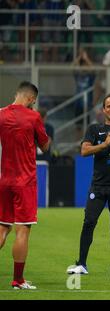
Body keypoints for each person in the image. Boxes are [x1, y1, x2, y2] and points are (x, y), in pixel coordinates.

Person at [66, 94, 110, 276]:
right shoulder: (94, 129)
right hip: (98, 185)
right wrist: (106, 143)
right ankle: (82, 264)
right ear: (103, 110)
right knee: (89, 222)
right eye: (109, 106)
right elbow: (84, 151)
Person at [0, 82, 50, 290]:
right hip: (25, 182)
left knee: (2, 227)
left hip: (4, 180)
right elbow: (45, 146)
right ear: (31, 99)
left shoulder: (1, 114)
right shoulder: (33, 117)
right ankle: (18, 280)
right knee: (23, 230)